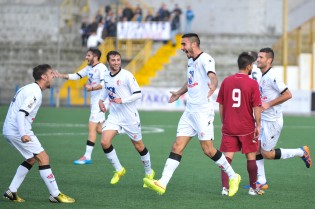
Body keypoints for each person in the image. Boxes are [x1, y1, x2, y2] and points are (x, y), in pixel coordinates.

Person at [143, 33, 241, 197]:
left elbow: (213, 76)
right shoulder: (190, 61)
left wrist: (213, 86)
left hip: (203, 111)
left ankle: (233, 176)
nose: (181, 48)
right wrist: (178, 93)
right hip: (189, 111)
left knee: (208, 150)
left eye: (184, 44)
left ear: (194, 44)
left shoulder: (206, 59)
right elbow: (190, 82)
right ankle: (162, 183)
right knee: (177, 146)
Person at [2, 64, 75, 203]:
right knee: (43, 158)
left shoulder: (28, 88)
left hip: (10, 129)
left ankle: (11, 191)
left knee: (31, 159)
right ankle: (55, 194)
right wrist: (23, 133)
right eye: (51, 74)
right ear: (43, 77)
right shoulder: (35, 92)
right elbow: (21, 113)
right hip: (18, 130)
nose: (53, 77)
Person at [254, 47, 312, 190]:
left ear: (269, 60)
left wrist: (269, 104)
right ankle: (262, 181)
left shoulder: (272, 76)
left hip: (272, 121)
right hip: (263, 119)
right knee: (255, 148)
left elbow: (288, 94)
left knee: (266, 154)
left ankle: (301, 152)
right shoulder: (261, 75)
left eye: (261, 57)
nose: (258, 59)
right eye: (258, 57)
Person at [98, 50, 154, 186]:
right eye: (113, 60)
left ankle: (148, 172)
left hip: (130, 117)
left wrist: (122, 100)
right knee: (104, 142)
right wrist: (101, 100)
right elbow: (106, 89)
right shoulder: (106, 75)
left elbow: (138, 94)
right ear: (108, 62)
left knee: (139, 146)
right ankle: (119, 170)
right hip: (115, 116)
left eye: (118, 60)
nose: (116, 62)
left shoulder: (127, 75)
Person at [216, 52, 263, 196]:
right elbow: (256, 107)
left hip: (229, 126)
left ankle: (225, 188)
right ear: (248, 66)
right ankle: (253, 188)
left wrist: (224, 121)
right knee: (251, 157)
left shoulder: (226, 81)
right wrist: (258, 125)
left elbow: (221, 105)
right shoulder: (252, 83)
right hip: (246, 127)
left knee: (227, 158)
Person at [55, 48, 108, 165]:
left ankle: (87, 156)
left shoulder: (102, 68)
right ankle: (118, 128)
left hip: (101, 100)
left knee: (91, 127)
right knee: (100, 129)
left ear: (95, 57)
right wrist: (60, 75)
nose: (86, 57)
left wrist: (92, 88)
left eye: (88, 55)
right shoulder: (89, 68)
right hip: (94, 100)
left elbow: (105, 84)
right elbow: (77, 75)